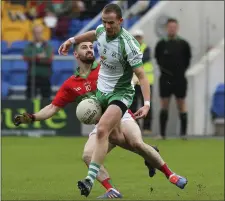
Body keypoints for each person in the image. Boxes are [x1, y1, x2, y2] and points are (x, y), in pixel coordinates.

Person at [15, 41, 188, 198]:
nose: (89, 49)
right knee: (87, 155)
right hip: (102, 125)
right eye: (84, 47)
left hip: (121, 114)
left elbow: (132, 74)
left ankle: (171, 174)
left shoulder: (106, 69)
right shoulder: (70, 84)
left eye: (91, 47)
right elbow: (53, 107)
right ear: (76, 54)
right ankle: (112, 189)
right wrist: (32, 117)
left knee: (135, 142)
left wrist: (133, 82)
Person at [58, 4, 187, 197]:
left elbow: (142, 76)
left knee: (103, 130)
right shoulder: (102, 30)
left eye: (111, 23)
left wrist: (147, 104)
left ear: (120, 21)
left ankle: (89, 181)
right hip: (102, 94)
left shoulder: (129, 45)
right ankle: (162, 173)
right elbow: (94, 33)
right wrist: (71, 40)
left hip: (121, 94)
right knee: (119, 142)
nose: (107, 26)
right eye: (104, 22)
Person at [155, 18, 192, 140]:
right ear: (167, 28)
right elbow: (158, 60)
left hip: (180, 78)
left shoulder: (183, 44)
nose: (172, 29)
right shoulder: (161, 44)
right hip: (165, 79)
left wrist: (179, 72)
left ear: (177, 28)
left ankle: (183, 133)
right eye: (170, 27)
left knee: (181, 104)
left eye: (174, 27)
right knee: (164, 104)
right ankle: (162, 134)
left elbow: (187, 61)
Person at [130, 29, 154, 135]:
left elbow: (144, 59)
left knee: (147, 104)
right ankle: (135, 126)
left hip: (146, 81)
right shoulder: (129, 49)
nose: (137, 39)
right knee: (133, 105)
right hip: (133, 82)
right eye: (135, 37)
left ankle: (147, 127)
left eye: (139, 37)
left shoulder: (146, 48)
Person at [23, 24, 53, 99]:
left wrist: (34, 58)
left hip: (45, 75)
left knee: (46, 98)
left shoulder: (47, 46)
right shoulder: (29, 46)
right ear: (33, 34)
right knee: (30, 97)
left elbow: (49, 59)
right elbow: (25, 57)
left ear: (42, 33)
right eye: (36, 33)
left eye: (39, 32)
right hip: (32, 75)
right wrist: (38, 57)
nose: (38, 35)